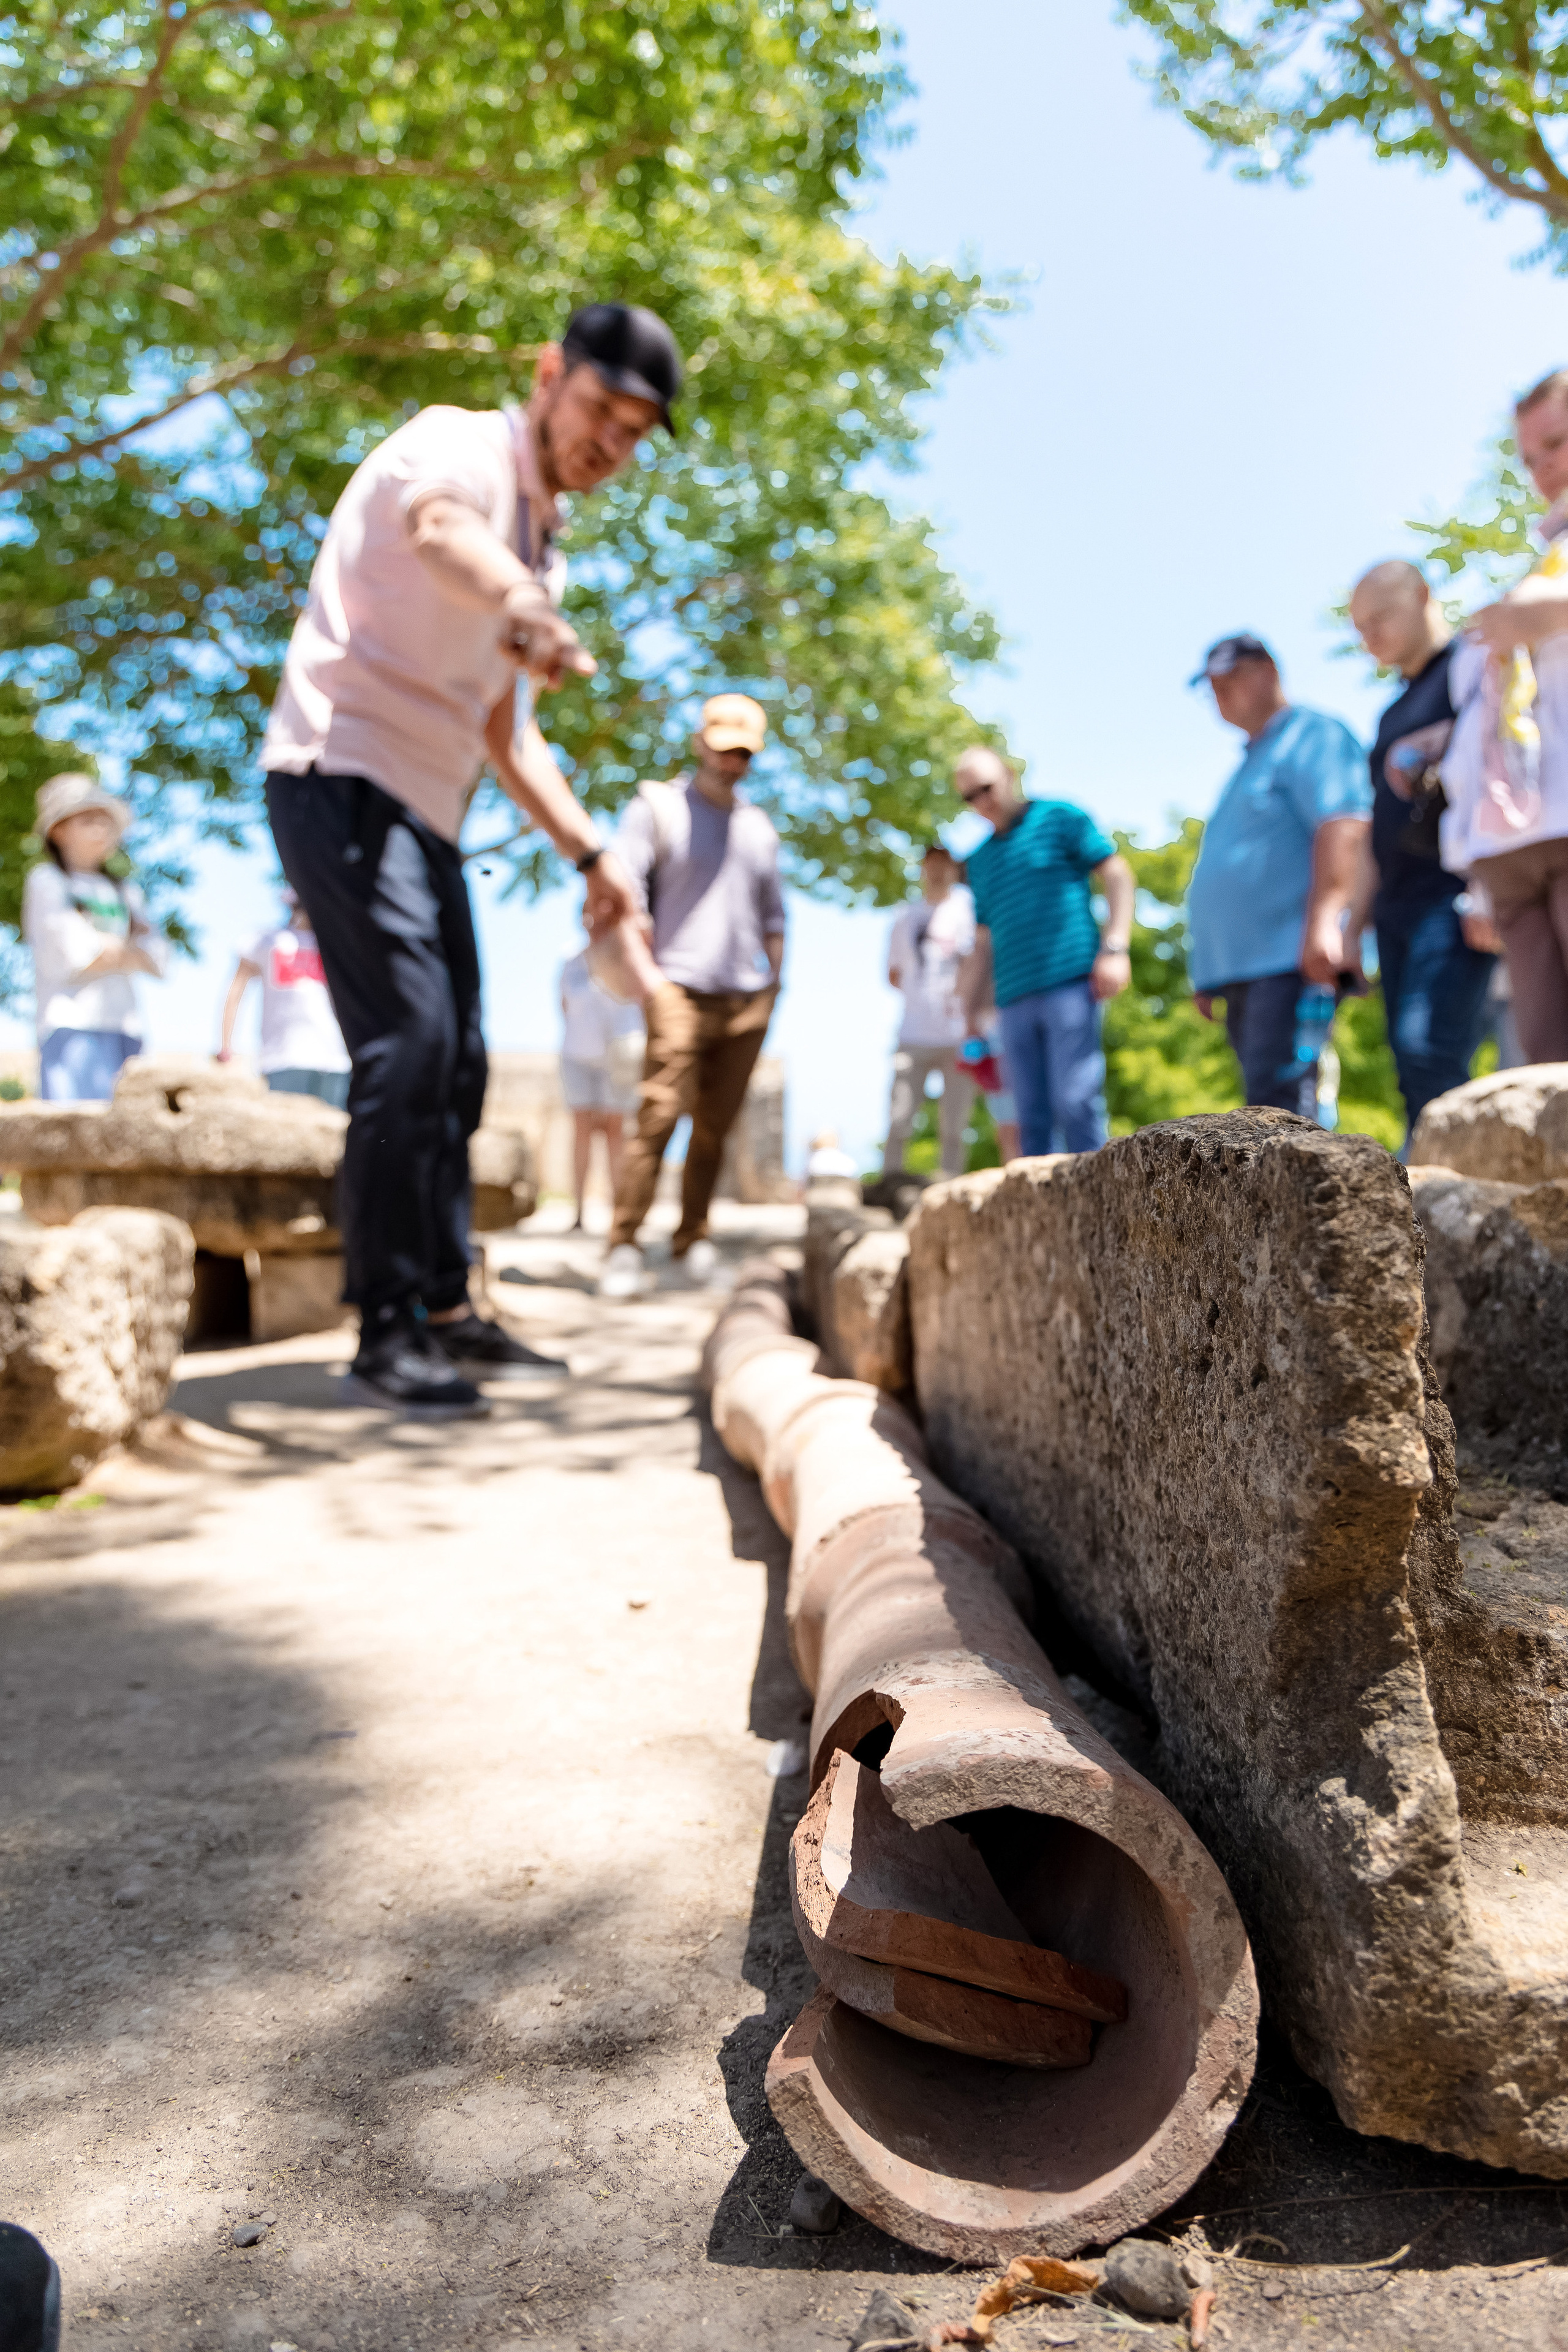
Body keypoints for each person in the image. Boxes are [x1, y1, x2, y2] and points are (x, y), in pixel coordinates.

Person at [260, 303, 677, 1412]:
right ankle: (384, 1322)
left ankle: (447, 1304)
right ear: (549, 376)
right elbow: (440, 528)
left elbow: (506, 732)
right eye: (602, 412)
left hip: (426, 807)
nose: (611, 445)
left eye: (635, 435)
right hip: (337, 774)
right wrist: (524, 601)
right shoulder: (459, 445)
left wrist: (595, 856)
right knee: (409, 1041)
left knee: (465, 1057)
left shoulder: (544, 543)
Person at [598, 693, 785, 1298]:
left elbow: (773, 915)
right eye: (724, 747)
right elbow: (623, 899)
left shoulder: (759, 829)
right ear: (700, 742)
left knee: (715, 1127)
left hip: (745, 997)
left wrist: (774, 984)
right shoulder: (657, 807)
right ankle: (623, 1245)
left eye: (743, 754)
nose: (731, 762)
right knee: (658, 1116)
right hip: (675, 985)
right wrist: (648, 980)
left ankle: (692, 1239)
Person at [1185, 635, 1371, 1118]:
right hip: (1241, 970)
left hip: (1290, 960)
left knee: (1285, 1104)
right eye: (1212, 687)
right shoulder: (1249, 761)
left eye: (1232, 679)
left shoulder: (1313, 736)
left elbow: (1345, 826)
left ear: (1268, 670)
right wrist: (1206, 968)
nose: (1220, 694)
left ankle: (1312, 1195)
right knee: (1261, 1105)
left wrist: (1326, 920)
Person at [1441, 368, 1568, 1063]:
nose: (1543, 468)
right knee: (1545, 1064)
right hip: (1515, 842)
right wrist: (1471, 868)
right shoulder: (1541, 560)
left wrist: (1540, 616)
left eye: (1557, 444)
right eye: (1530, 457)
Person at [1345, 563, 1497, 1146]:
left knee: (1429, 1045)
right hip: (1396, 907)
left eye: (1380, 618)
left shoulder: (1472, 672)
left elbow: (1496, 781)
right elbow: (1375, 834)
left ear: (1424, 596)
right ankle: (1431, 1201)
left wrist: (1485, 888)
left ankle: (1452, 1196)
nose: (1370, 638)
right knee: (1409, 1067)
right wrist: (1353, 925)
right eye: (1360, 628)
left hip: (1452, 893)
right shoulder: (1389, 715)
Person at [953, 748, 1133, 1157]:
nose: (982, 802)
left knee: (1076, 1100)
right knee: (1027, 1116)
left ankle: (1098, 1208)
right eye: (969, 797)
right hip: (1012, 999)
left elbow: (1117, 874)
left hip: (1069, 983)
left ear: (1010, 775)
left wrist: (1115, 947)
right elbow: (983, 942)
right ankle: (1045, 1217)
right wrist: (967, 1013)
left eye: (986, 788)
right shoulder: (979, 861)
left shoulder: (1060, 817)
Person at [23, 772, 167, 1102]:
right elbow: (73, 952)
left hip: (126, 1025)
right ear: (58, 830)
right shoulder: (47, 881)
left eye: (106, 821)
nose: (101, 830)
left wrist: (114, 950)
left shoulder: (126, 891)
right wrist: (127, 952)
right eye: (88, 820)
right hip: (70, 1025)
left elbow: (158, 955)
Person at [883, 843, 978, 1178]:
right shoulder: (904, 917)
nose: (936, 870)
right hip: (913, 1035)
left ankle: (951, 1188)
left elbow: (979, 967)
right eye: (930, 863)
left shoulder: (970, 913)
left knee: (955, 1125)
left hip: (959, 1035)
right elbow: (893, 975)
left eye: (943, 863)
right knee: (899, 1118)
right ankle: (888, 1188)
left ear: (954, 869)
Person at [216, 890, 352, 1109]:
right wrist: (226, 1048)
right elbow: (235, 993)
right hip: (283, 1059)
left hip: (336, 1059)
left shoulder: (340, 944)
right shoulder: (265, 941)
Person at [558, 925, 644, 1231]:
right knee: (581, 1129)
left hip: (617, 1058)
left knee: (615, 1131)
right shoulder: (572, 959)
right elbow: (564, 1005)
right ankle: (579, 1211)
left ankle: (617, 1213)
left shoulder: (628, 953)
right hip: (578, 1055)